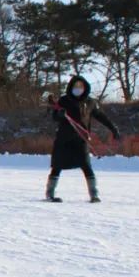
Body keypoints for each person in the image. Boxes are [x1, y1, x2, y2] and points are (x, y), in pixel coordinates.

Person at [46, 75, 120, 203]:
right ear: (71, 87)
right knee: (57, 166)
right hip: (64, 140)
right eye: (76, 86)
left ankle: (94, 195)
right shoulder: (64, 101)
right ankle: (50, 194)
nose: (78, 88)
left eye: (81, 86)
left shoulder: (90, 102)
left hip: (81, 140)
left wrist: (113, 128)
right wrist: (60, 114)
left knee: (86, 166)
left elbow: (101, 116)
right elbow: (55, 117)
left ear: (85, 88)